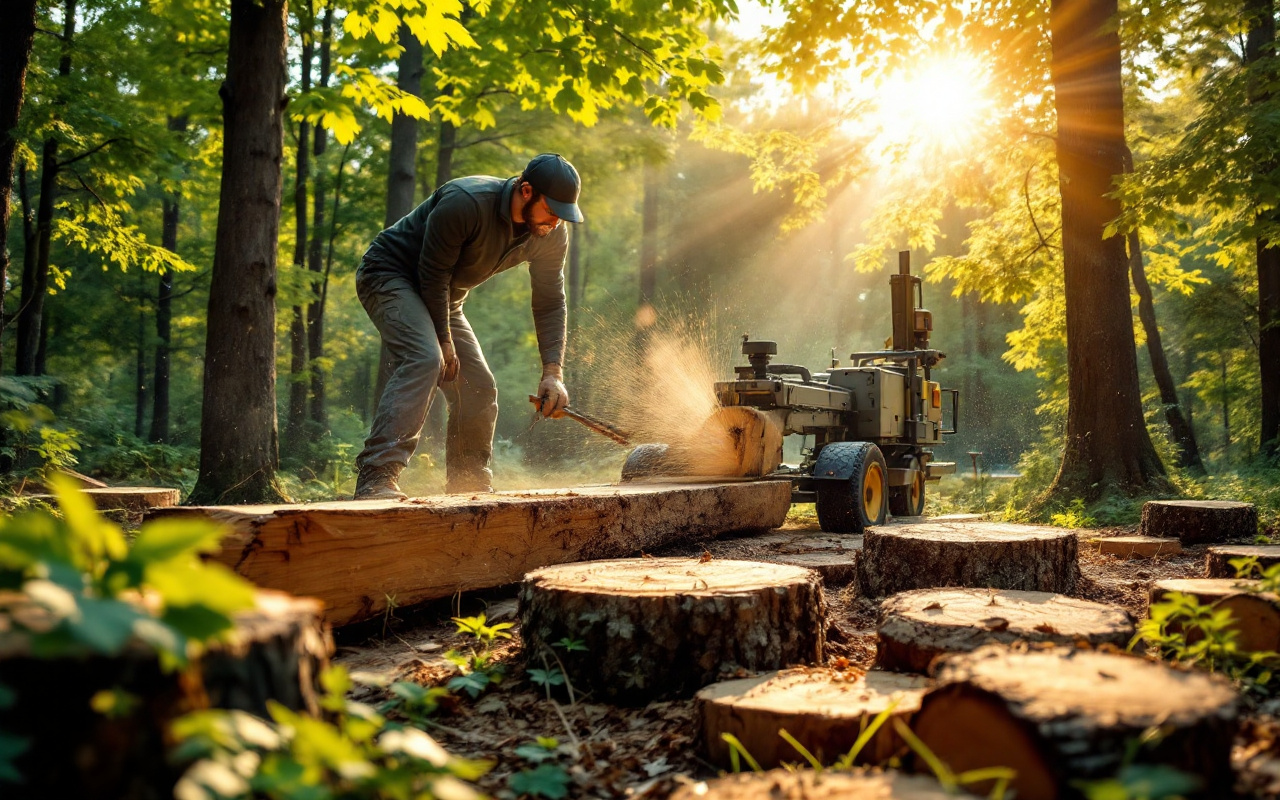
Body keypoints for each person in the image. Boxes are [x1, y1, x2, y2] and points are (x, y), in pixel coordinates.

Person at [353, 153, 584, 500]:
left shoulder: (551, 235)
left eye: (563, 215)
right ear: (525, 191)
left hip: (444, 298)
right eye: (551, 210)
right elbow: (432, 273)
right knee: (427, 358)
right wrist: (443, 340)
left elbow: (551, 301)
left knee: (477, 385)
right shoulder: (467, 202)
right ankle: (376, 477)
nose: (555, 222)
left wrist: (553, 372)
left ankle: (468, 486)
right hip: (391, 275)